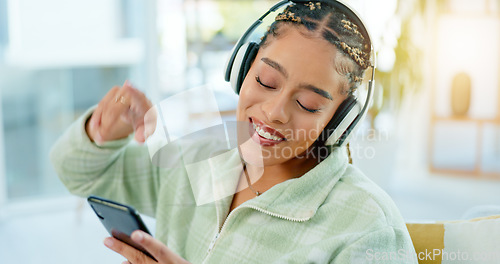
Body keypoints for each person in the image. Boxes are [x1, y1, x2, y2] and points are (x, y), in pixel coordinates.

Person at [51, 1, 417, 263]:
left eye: (307, 104)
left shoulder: (368, 230)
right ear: (243, 68)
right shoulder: (200, 153)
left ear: (339, 122)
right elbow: (79, 173)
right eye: (266, 80)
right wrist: (102, 134)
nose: (274, 112)